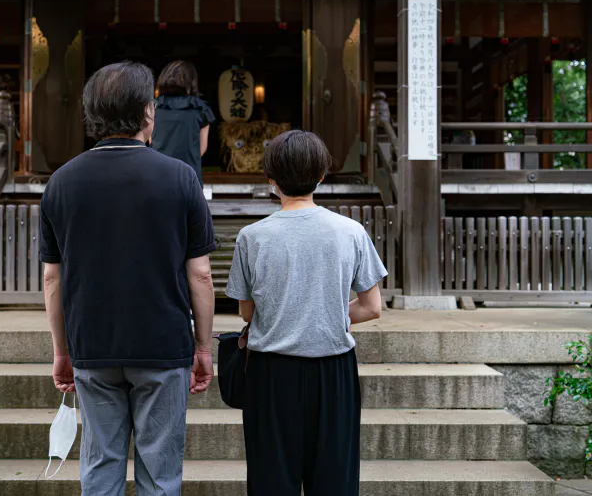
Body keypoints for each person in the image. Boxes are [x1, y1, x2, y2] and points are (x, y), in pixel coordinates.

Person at [40, 61, 217, 496]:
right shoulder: (180, 178)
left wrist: (62, 350)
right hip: (162, 343)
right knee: (160, 472)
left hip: (92, 344)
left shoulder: (61, 183)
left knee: (100, 465)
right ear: (147, 113)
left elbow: (51, 279)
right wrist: (203, 346)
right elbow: (201, 273)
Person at [225, 130, 387, 496]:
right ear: (321, 177)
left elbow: (247, 312)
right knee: (334, 481)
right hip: (334, 371)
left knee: (271, 480)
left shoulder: (252, 237)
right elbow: (372, 307)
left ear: (271, 181)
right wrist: (330, 312)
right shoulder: (351, 232)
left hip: (271, 372)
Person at [152, 60, 215, 186]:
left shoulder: (152, 107)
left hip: (158, 175)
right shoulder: (200, 108)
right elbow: (201, 149)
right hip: (189, 176)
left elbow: (150, 142)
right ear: (192, 81)